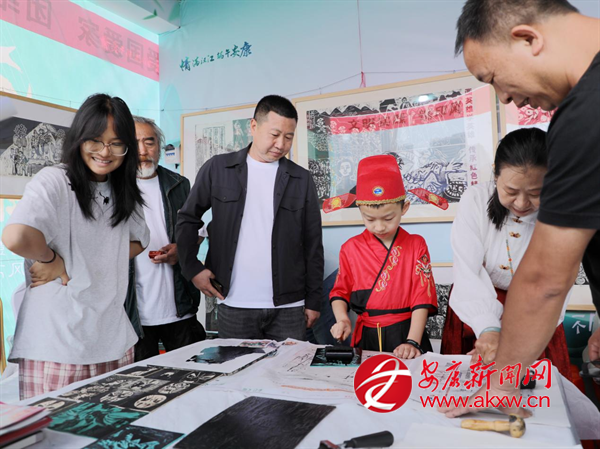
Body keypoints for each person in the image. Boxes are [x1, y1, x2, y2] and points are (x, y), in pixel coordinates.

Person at [442, 0, 600, 418]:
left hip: (528, 321)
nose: (506, 97)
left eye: (493, 78)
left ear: (527, 38)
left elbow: (547, 279)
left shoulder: (586, 115)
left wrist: (500, 387)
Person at [2, 94, 149, 399]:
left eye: (116, 143)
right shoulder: (56, 179)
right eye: (95, 140)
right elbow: (16, 237)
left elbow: (139, 241)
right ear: (79, 138)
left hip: (112, 339)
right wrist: (51, 258)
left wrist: (90, 256)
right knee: (56, 428)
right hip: (58, 343)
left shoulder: (123, 189)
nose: (105, 152)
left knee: (113, 426)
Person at [176, 95, 324, 341]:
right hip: (234, 302)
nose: (281, 144)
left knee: (289, 366)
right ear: (253, 126)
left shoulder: (301, 179)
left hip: (289, 306)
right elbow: (188, 218)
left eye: (288, 137)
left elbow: (313, 244)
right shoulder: (218, 168)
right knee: (236, 366)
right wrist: (192, 268)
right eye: (274, 134)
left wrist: (314, 300)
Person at [441, 128, 571, 379]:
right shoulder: (475, 200)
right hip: (476, 305)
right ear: (496, 174)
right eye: (511, 191)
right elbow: (468, 270)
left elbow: (555, 285)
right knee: (468, 388)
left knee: (531, 389)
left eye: (535, 193)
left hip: (535, 313)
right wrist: (488, 328)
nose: (521, 204)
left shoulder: (563, 214)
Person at [329, 155, 438, 358]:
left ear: (404, 208)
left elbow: (422, 296)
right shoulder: (350, 248)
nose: (379, 227)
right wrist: (342, 319)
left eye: (388, 218)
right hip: (367, 335)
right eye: (369, 219)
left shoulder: (416, 244)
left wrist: (412, 341)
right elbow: (340, 292)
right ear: (360, 211)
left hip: (407, 333)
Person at [125, 116, 206, 362]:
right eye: (134, 143)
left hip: (179, 306)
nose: (142, 151)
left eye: (149, 142)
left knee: (193, 375)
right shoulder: (113, 188)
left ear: (159, 147)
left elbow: (198, 232)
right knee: (141, 380)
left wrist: (182, 250)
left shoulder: (179, 184)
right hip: (132, 313)